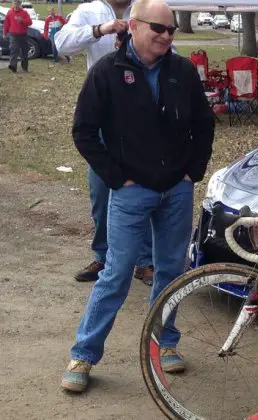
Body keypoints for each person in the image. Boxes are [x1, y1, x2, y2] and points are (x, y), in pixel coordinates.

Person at [60, 0, 215, 393]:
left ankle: (165, 343)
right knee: (115, 273)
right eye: (158, 29)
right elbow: (83, 131)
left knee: (170, 272)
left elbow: (204, 123)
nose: (166, 36)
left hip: (176, 191)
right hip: (131, 191)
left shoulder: (181, 71)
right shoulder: (106, 73)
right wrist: (116, 177)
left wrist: (192, 172)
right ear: (134, 27)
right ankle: (84, 352)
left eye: (171, 30)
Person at [55, 0, 155, 285]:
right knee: (101, 190)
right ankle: (104, 255)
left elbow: (166, 48)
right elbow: (62, 43)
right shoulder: (90, 10)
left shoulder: (146, 7)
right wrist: (101, 30)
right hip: (103, 115)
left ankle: (145, 260)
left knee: (145, 188)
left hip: (141, 116)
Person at [2, 0, 32, 73]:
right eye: (15, 3)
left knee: (24, 52)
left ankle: (25, 68)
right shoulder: (9, 13)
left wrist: (22, 20)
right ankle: (13, 67)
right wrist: (4, 33)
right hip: (13, 35)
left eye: (18, 4)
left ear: (20, 4)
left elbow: (30, 22)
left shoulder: (24, 13)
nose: (16, 5)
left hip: (23, 35)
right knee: (14, 51)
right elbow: (6, 24)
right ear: (13, 4)